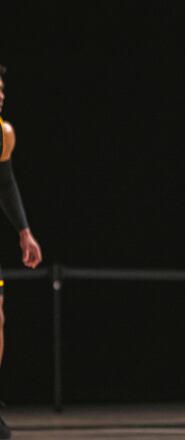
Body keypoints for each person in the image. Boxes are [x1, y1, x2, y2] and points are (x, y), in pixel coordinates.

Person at [0, 64, 44, 440]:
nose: (1, 95)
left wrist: (24, 232)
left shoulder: (4, 133)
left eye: (2, 89)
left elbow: (6, 182)